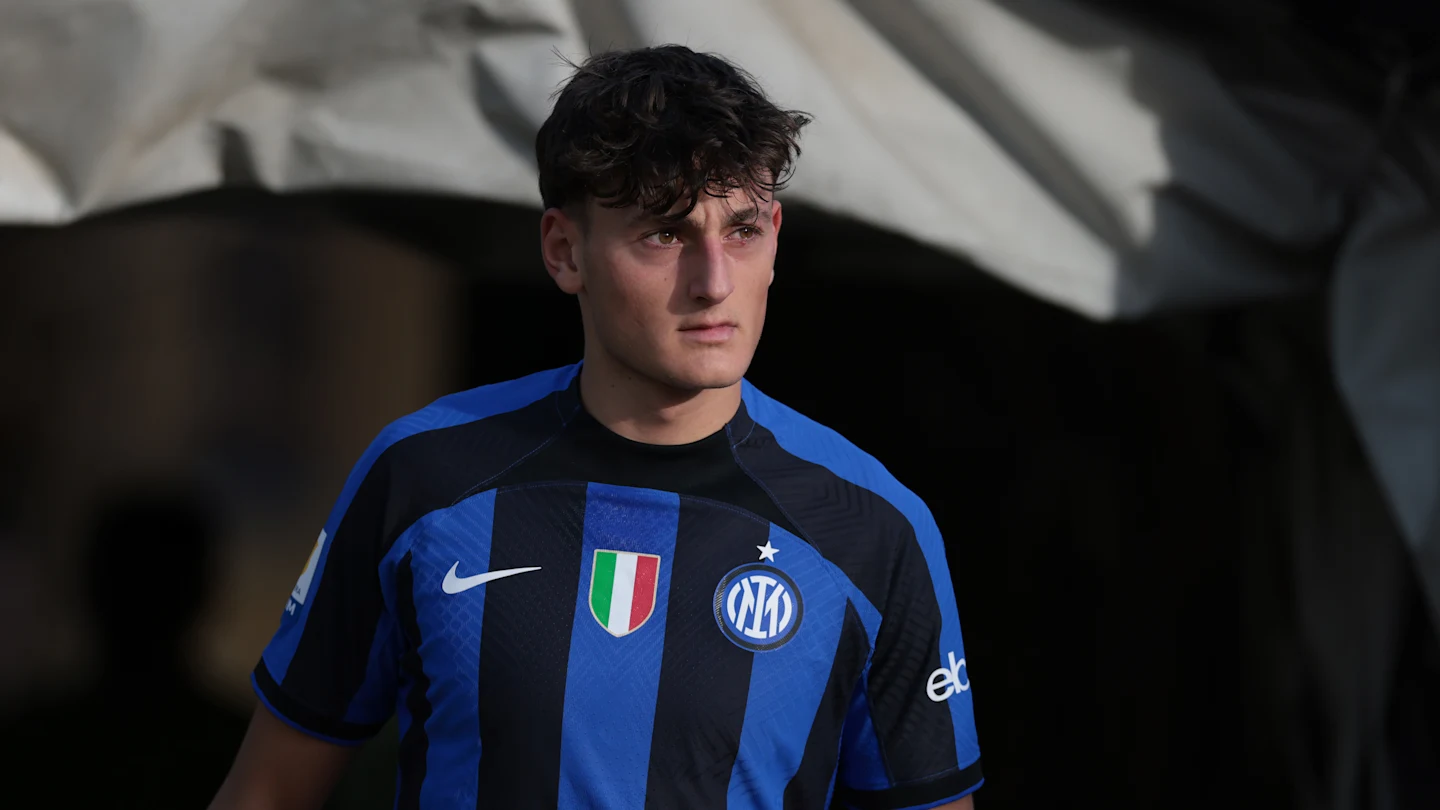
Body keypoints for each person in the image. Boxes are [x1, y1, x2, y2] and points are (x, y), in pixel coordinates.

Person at [210, 45, 981, 810]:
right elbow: (265, 793)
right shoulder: (423, 476)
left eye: (742, 231)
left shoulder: (873, 526)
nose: (715, 282)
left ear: (775, 235)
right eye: (665, 235)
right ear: (564, 251)